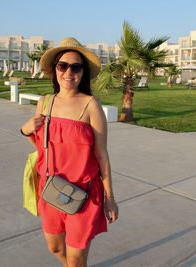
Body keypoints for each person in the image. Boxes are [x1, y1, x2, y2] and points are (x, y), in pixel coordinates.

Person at [20, 37, 119, 267]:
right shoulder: (45, 103)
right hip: (51, 189)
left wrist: (110, 198)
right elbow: (44, 148)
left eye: (76, 67)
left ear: (82, 72)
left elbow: (102, 155)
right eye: (62, 66)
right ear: (54, 70)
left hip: (83, 195)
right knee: (54, 246)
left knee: (76, 261)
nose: (68, 72)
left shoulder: (90, 105)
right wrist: (25, 131)